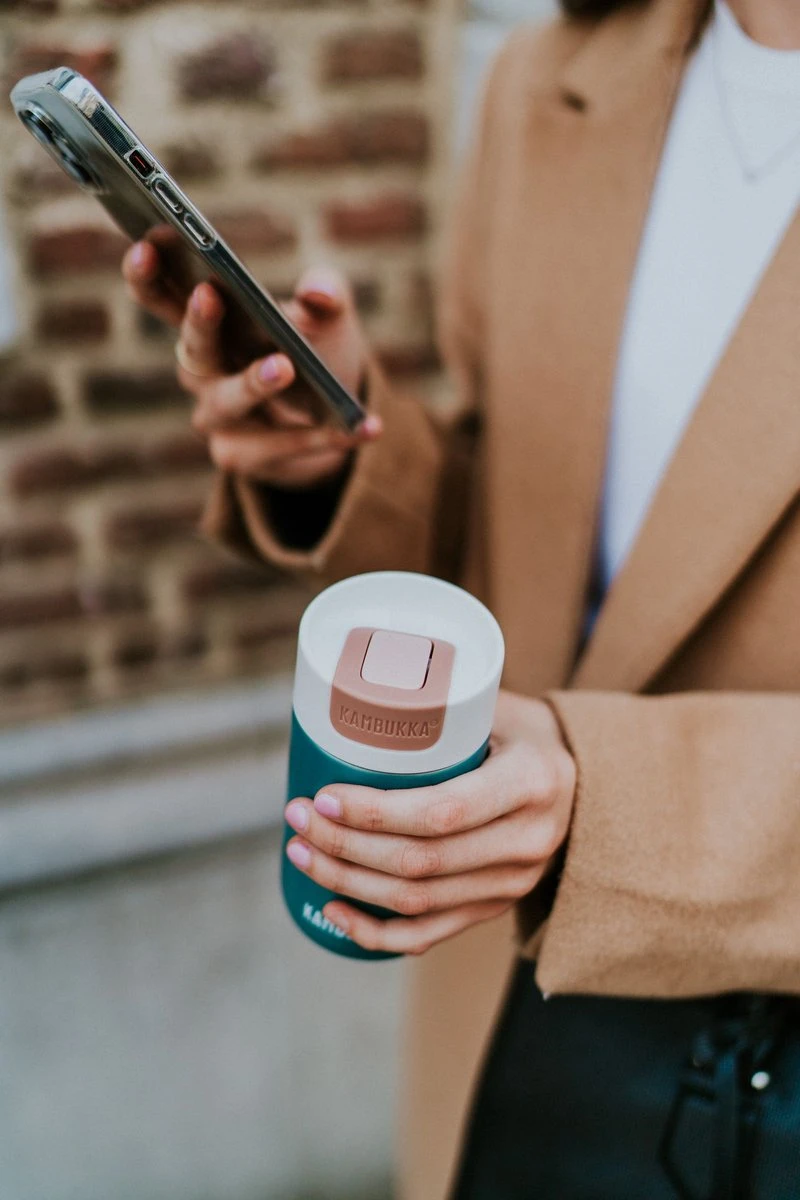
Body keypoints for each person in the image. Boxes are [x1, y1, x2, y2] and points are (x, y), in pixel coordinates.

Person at [122, 0, 800, 1194]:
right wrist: (339, 461)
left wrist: (606, 797)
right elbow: (517, 514)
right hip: (499, 1015)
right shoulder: (547, 78)